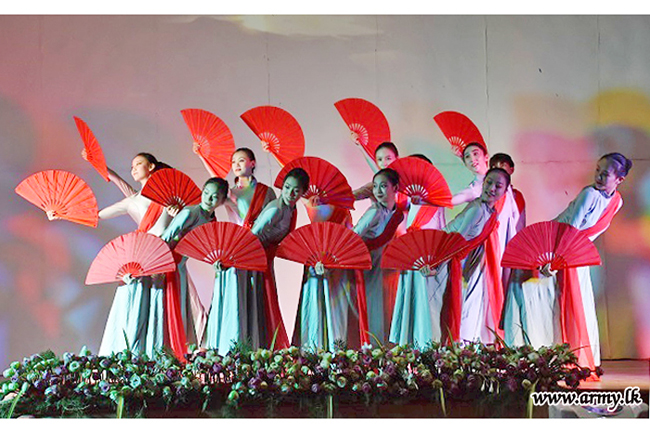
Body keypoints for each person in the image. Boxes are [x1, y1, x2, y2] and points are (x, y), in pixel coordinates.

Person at [503, 153, 631, 371]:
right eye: (597, 170)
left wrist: (568, 257)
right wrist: (554, 260)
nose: (599, 176)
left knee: (567, 301)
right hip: (553, 246)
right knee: (533, 294)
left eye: (606, 173)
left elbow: (588, 232)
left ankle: (565, 354)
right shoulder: (589, 194)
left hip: (572, 253)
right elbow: (570, 228)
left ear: (619, 179)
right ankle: (528, 351)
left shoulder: (616, 202)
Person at [91, 153, 174, 357]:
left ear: (152, 166)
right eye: (132, 166)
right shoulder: (132, 200)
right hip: (140, 256)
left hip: (161, 255)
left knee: (158, 304)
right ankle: (129, 353)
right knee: (134, 301)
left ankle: (157, 354)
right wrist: (65, 213)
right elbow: (97, 215)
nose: (134, 168)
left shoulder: (169, 196)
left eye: (138, 164)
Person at [429, 168, 510, 344]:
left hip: (457, 260)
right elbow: (457, 240)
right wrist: (435, 263)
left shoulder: (490, 212)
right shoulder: (477, 209)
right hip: (443, 258)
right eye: (489, 182)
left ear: (505, 191)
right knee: (438, 311)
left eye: (498, 186)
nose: (492, 188)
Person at [160, 177, 229, 357]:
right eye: (206, 193)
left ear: (221, 201)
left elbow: (208, 249)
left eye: (214, 197)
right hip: (167, 263)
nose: (208, 199)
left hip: (181, 265)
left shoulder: (212, 222)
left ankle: (177, 352)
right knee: (167, 308)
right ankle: (165, 351)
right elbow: (165, 238)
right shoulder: (190, 213)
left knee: (180, 308)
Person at [244, 168, 310, 350]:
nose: (290, 193)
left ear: (303, 192)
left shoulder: (291, 209)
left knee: (264, 304)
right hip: (254, 259)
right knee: (257, 304)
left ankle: (262, 347)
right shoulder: (275, 210)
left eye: (296, 190)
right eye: (287, 187)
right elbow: (251, 238)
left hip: (266, 259)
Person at [388, 154, 447, 348]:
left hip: (428, 259)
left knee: (427, 308)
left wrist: (435, 260)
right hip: (411, 258)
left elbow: (441, 232)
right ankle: (409, 353)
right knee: (409, 303)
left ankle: (429, 352)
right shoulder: (407, 201)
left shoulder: (436, 202)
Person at [352, 168, 405, 345]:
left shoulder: (396, 212)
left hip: (384, 266)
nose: (378, 191)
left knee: (384, 308)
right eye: (375, 187)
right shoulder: (374, 211)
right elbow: (354, 236)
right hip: (368, 266)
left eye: (383, 186)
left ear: (395, 188)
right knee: (371, 307)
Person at [225, 147, 277, 227]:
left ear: (252, 164)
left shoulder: (266, 191)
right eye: (233, 162)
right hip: (238, 236)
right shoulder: (230, 193)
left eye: (241, 160)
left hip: (263, 237)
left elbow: (275, 218)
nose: (237, 165)